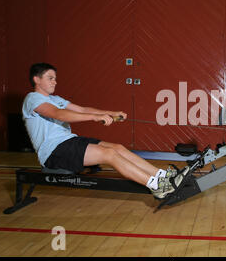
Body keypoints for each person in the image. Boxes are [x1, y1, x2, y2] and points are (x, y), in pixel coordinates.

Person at [22, 62, 190, 200]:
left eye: (55, 78)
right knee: (109, 155)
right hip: (54, 152)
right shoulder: (32, 98)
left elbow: (82, 109)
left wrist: (109, 113)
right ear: (36, 79)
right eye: (50, 78)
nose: (55, 82)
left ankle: (162, 176)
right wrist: (95, 118)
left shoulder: (54, 99)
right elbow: (58, 114)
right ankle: (157, 187)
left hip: (69, 142)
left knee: (117, 148)